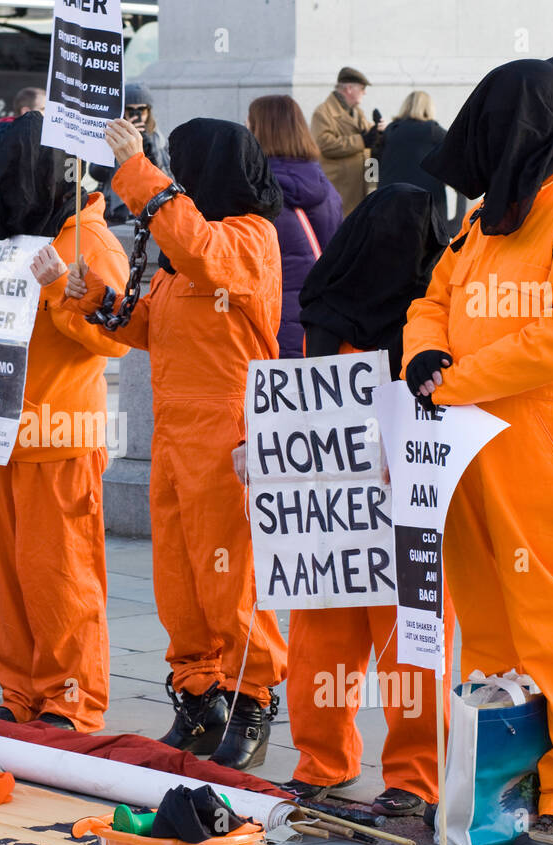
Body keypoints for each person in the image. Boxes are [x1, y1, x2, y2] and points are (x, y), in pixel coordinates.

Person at [403, 56, 553, 845]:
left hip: (547, 452)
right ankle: (512, 787)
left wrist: (454, 378)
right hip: (469, 449)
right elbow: (431, 295)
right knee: (494, 632)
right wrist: (424, 358)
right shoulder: (486, 214)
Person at [64, 117, 287, 770]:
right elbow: (153, 327)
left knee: (231, 586)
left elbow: (201, 253)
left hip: (227, 438)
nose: (180, 179)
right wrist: (100, 299)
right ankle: (199, 696)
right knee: (181, 583)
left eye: (187, 167)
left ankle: (251, 698)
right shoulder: (190, 244)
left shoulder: (248, 238)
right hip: (176, 438)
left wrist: (136, 170)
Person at [0, 111, 129, 731]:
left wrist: (57, 289)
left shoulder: (89, 241)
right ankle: (21, 694)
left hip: (59, 440)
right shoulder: (9, 240)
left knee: (62, 581)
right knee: (13, 583)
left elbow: (114, 339)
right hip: (2, 435)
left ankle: (70, 700)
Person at [279, 184, 453, 816]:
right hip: (344, 507)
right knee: (368, 639)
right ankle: (349, 764)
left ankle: (396, 773)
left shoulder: (332, 301)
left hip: (392, 509)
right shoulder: (429, 308)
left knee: (400, 637)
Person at [247, 93, 342, 358]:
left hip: (275, 318)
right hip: (322, 318)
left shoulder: (259, 192)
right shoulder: (326, 187)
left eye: (250, 126)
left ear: (260, 131)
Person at [92, 82, 171, 225]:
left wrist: (148, 145)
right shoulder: (111, 136)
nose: (137, 115)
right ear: (123, 111)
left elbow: (165, 177)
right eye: (131, 110)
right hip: (117, 210)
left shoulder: (158, 139)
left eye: (142, 109)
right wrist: (118, 147)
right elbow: (97, 173)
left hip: (149, 208)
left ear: (149, 111)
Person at [376, 91, 459, 226]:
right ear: (428, 107)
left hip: (391, 203)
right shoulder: (433, 131)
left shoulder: (390, 131)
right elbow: (458, 150)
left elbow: (376, 166)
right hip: (425, 207)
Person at [311, 67, 384, 215]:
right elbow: (325, 144)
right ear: (349, 88)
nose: (365, 92)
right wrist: (362, 140)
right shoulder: (323, 113)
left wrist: (380, 131)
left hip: (360, 188)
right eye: (362, 88)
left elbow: (369, 138)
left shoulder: (358, 112)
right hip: (340, 191)